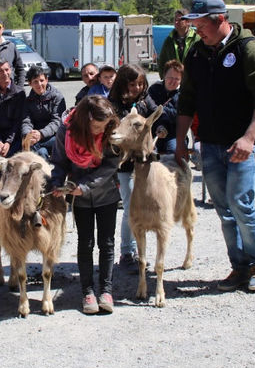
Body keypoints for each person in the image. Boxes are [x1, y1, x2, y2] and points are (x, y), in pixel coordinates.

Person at [175, 0, 255, 292]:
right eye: (194, 26)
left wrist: (249, 138)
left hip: (243, 144)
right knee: (223, 208)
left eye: (201, 25)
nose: (197, 31)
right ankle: (240, 267)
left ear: (220, 19)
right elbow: (187, 100)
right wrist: (180, 142)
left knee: (240, 203)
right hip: (210, 143)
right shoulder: (196, 53)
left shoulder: (250, 49)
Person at [50, 95, 120, 314]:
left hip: (106, 193)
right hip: (78, 196)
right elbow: (59, 162)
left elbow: (111, 165)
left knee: (107, 243)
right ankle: (87, 291)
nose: (101, 130)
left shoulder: (109, 131)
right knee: (85, 242)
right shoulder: (66, 131)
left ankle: (106, 291)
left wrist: (86, 186)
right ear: (86, 119)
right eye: (97, 126)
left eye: (104, 126)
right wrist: (56, 184)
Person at [107, 63, 158, 271]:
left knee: (142, 206)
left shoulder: (145, 100)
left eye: (140, 84)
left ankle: (138, 252)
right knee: (130, 206)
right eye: (132, 84)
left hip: (144, 163)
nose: (137, 88)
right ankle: (127, 252)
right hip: (123, 164)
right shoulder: (112, 105)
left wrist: (160, 127)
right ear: (122, 83)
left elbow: (158, 115)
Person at [21, 65, 66, 160]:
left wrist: (41, 134)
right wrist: (28, 134)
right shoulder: (28, 101)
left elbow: (57, 122)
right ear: (30, 83)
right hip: (35, 136)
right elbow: (26, 121)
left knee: (32, 146)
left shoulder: (57, 97)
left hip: (54, 136)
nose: (39, 84)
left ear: (46, 80)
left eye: (41, 80)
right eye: (35, 82)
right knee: (42, 152)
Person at [147, 60, 183, 154]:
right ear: (164, 76)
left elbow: (179, 116)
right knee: (147, 152)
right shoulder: (154, 89)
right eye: (170, 77)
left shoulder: (183, 95)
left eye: (177, 79)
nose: (173, 81)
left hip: (173, 133)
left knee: (174, 151)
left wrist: (160, 109)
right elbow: (149, 110)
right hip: (153, 131)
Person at [157, 8, 200, 78]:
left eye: (180, 20)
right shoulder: (169, 40)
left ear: (188, 22)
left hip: (193, 81)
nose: (176, 22)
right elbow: (162, 61)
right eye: (175, 20)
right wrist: (164, 79)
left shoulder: (196, 39)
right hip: (174, 81)